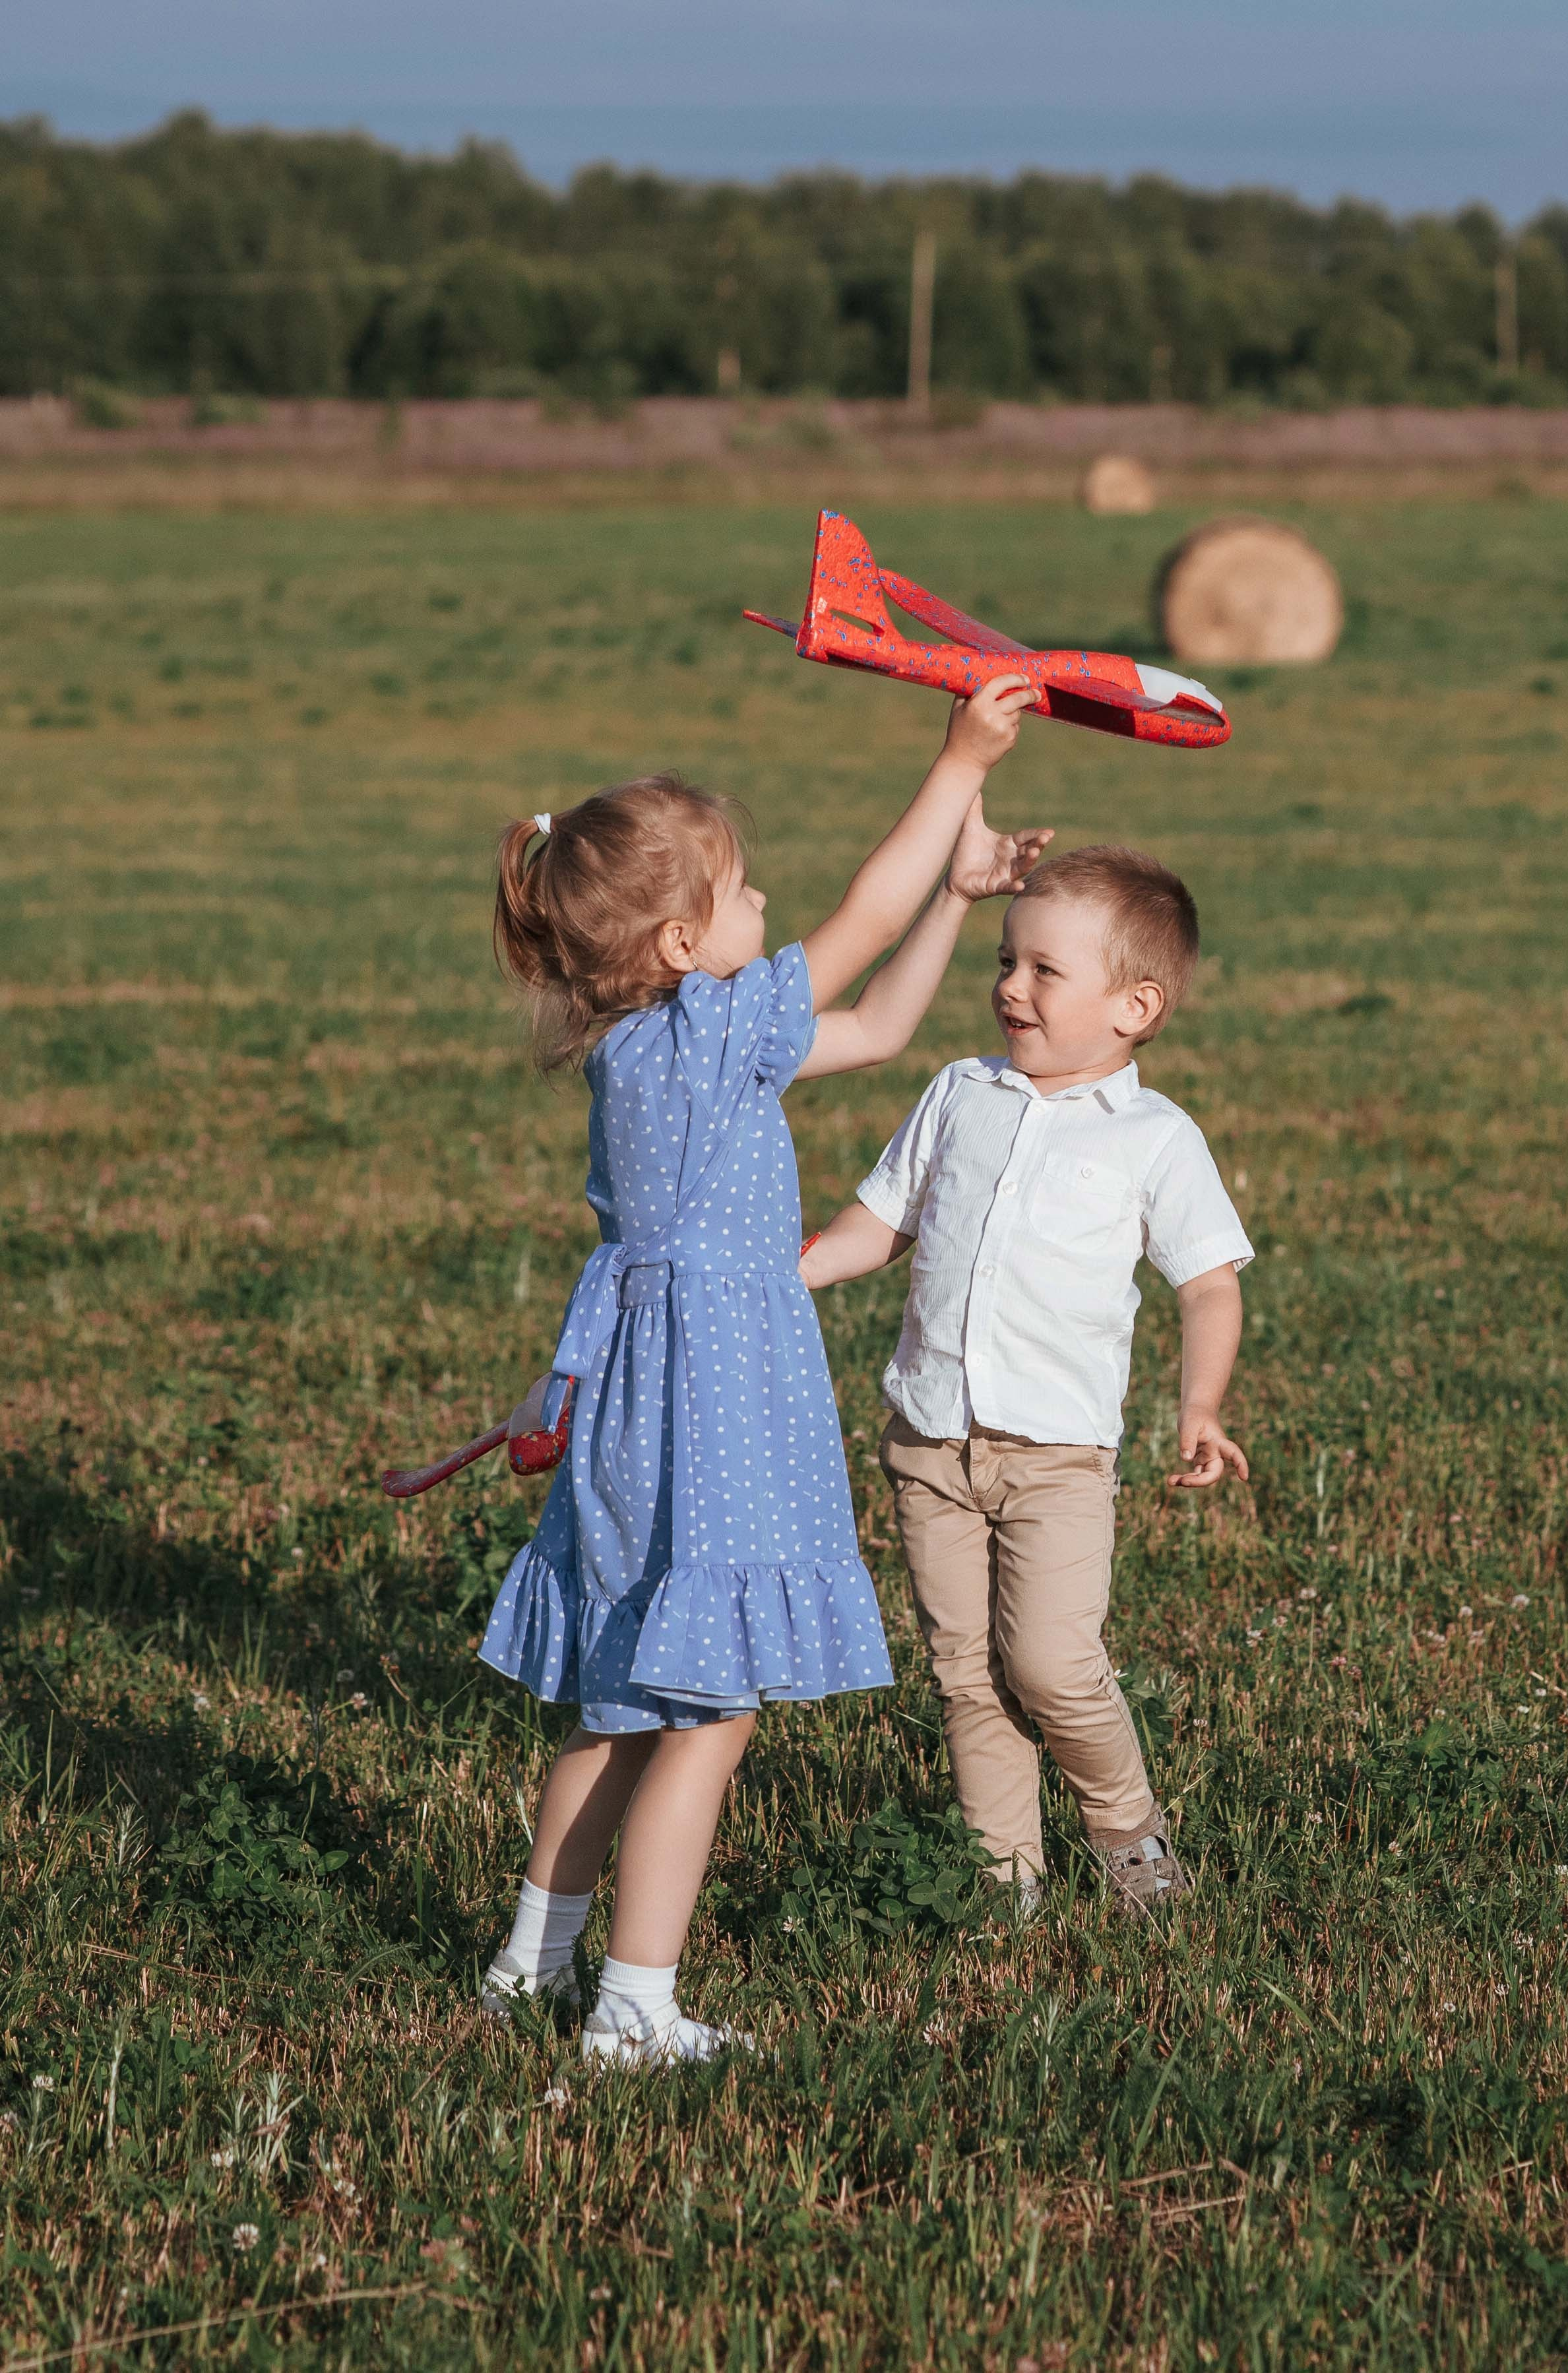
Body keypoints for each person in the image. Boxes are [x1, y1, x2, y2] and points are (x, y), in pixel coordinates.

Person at [480, 674, 1051, 2064]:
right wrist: (956, 762)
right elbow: (857, 925)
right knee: (710, 1710)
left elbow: (875, 1028)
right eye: (742, 893)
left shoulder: (655, 1044)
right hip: (711, 1402)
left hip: (643, 1393)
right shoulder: (705, 1028)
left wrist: (958, 895)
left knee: (622, 1701)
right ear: (684, 942)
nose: (764, 907)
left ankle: (526, 1966)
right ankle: (633, 2007)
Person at [800, 844, 1254, 1916]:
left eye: (1045, 970)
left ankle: (1126, 1829)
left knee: (1049, 1663)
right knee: (967, 1675)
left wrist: (1198, 1406)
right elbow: (882, 1221)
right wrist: (795, 1266)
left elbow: (1208, 1285)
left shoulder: (1153, 1137)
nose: (1011, 986)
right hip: (928, 1442)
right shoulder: (959, 1092)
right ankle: (1004, 1882)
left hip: (1056, 1459)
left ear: (1134, 1006)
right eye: (1006, 961)